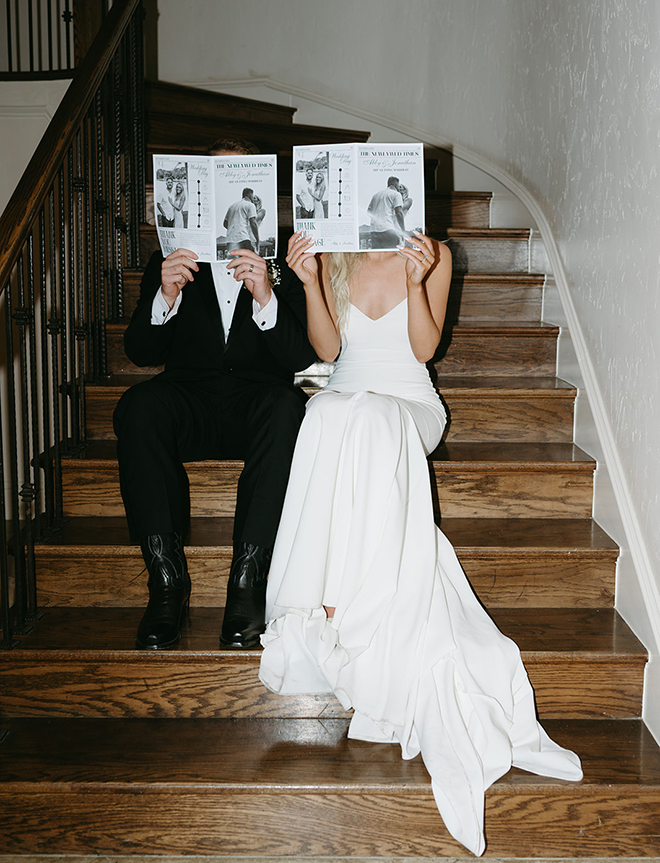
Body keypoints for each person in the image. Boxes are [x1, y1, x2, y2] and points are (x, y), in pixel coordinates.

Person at [259, 232, 583, 856]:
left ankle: (362, 611)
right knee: (322, 413)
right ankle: (317, 601)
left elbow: (424, 348)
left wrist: (415, 278)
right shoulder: (332, 253)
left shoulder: (436, 254)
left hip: (408, 401)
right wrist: (306, 280)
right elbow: (328, 349)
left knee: (376, 419)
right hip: (346, 394)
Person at [113, 142, 317, 652]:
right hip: (191, 399)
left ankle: (247, 584)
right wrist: (166, 296)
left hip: (256, 402)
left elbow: (299, 356)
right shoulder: (170, 257)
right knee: (137, 406)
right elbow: (140, 352)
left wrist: (266, 295)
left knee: (289, 407)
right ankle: (166, 582)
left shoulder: (283, 261)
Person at [367, 175, 406, 248]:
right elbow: (399, 213)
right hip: (387, 229)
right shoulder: (396, 194)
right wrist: (403, 230)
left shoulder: (376, 195)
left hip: (374, 231)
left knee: (378, 254)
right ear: (395, 185)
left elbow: (368, 212)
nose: (399, 188)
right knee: (391, 253)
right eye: (398, 185)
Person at [224, 188, 259, 252]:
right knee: (250, 259)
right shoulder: (250, 205)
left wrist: (234, 229)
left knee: (235, 260)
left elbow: (225, 224)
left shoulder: (232, 206)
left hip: (230, 241)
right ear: (249, 195)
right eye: (252, 195)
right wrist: (257, 239)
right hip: (243, 238)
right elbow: (253, 223)